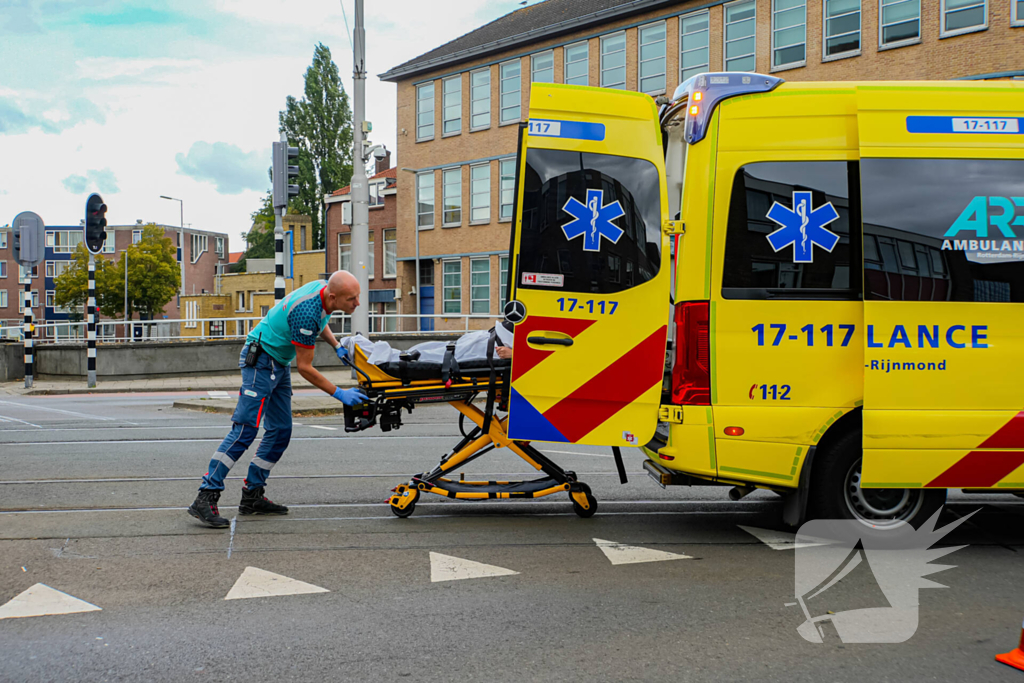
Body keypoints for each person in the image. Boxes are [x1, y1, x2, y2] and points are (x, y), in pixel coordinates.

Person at [187, 270, 368, 528]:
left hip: (278, 363)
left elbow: (321, 319)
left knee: (281, 430)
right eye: (352, 299)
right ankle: (206, 496)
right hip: (260, 360)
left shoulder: (322, 290)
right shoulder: (306, 310)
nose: (357, 303)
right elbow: (305, 368)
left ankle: (252, 495)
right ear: (333, 295)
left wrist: (335, 344)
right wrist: (339, 393)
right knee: (245, 431)